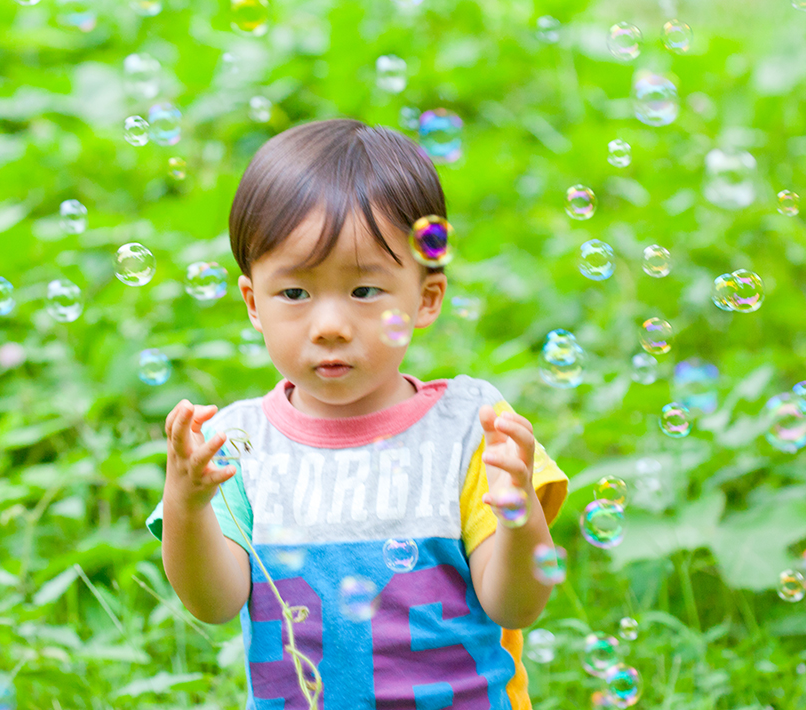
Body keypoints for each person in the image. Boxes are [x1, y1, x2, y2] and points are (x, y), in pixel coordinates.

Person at [145, 118, 569, 708]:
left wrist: (520, 514)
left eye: (365, 292)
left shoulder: (474, 429)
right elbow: (212, 603)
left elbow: (517, 605)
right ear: (253, 303)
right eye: (295, 294)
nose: (331, 327)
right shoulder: (235, 444)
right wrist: (186, 504)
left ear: (425, 298)